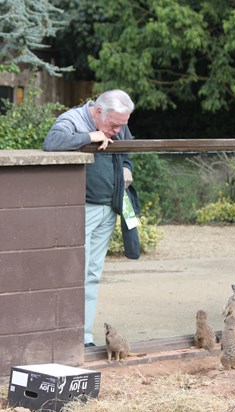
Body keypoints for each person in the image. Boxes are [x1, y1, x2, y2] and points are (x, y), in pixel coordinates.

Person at [43, 89, 137, 347]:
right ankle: (66, 336)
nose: (118, 130)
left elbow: (127, 152)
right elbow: (52, 142)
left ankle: (83, 337)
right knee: (75, 273)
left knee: (93, 274)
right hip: (82, 208)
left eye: (123, 125)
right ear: (98, 112)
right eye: (114, 124)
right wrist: (89, 137)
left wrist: (127, 169)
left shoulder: (118, 124)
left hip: (109, 207)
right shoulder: (72, 119)